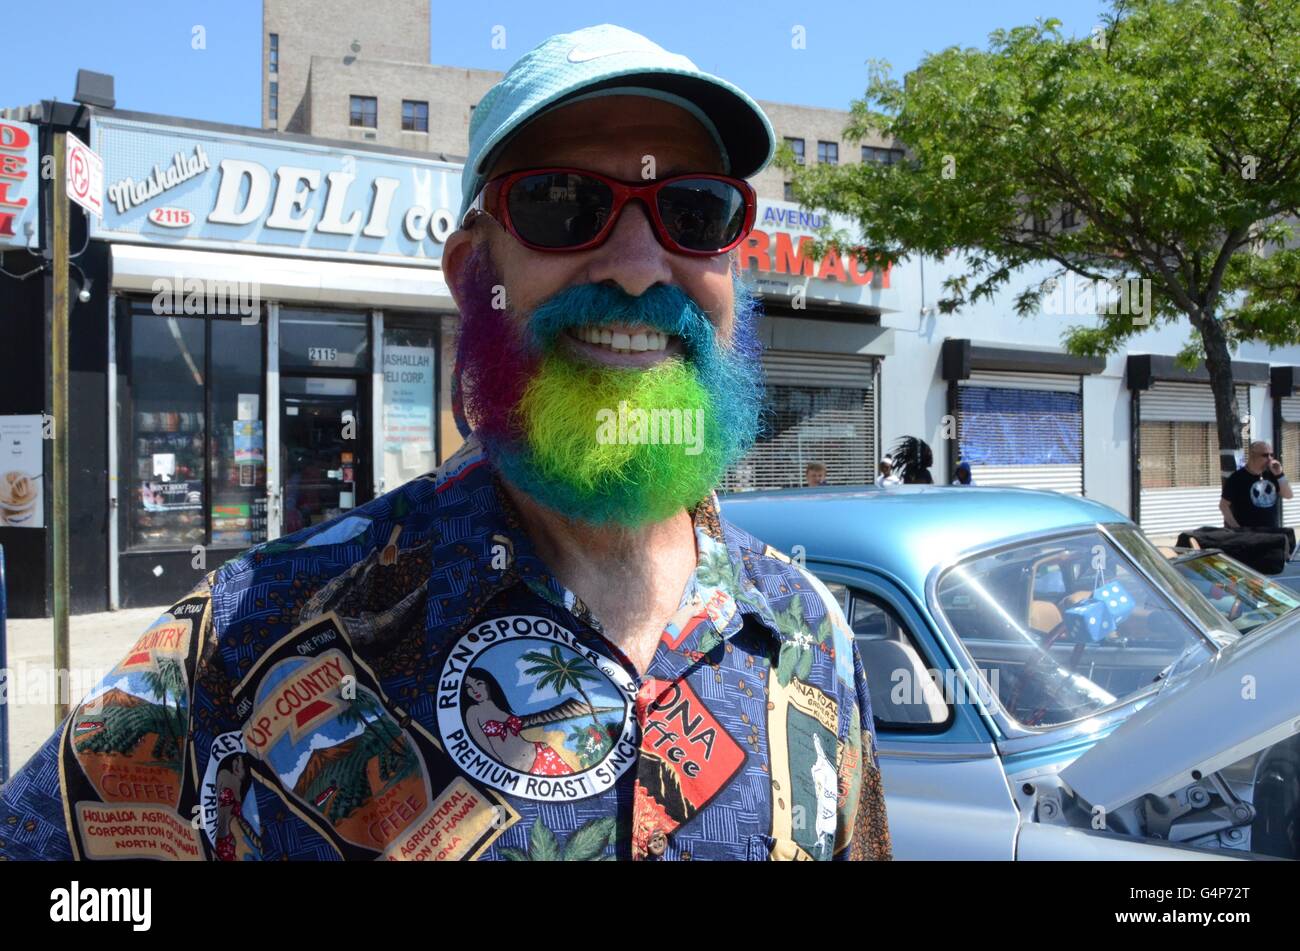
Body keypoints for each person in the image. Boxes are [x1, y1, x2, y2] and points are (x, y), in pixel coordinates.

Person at [0, 24, 890, 863]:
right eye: (563, 202)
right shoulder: (257, 638)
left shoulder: (808, 633)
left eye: (693, 212)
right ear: (474, 272)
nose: (637, 264)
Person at [1221, 441, 1293, 529]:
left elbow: (1288, 495)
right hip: (1249, 534)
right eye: (1265, 455)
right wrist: (1237, 529)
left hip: (1272, 532)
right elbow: (1223, 505)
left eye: (1271, 455)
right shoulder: (1237, 478)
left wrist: (1279, 475)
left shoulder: (1272, 474)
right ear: (1252, 455)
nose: (1270, 459)